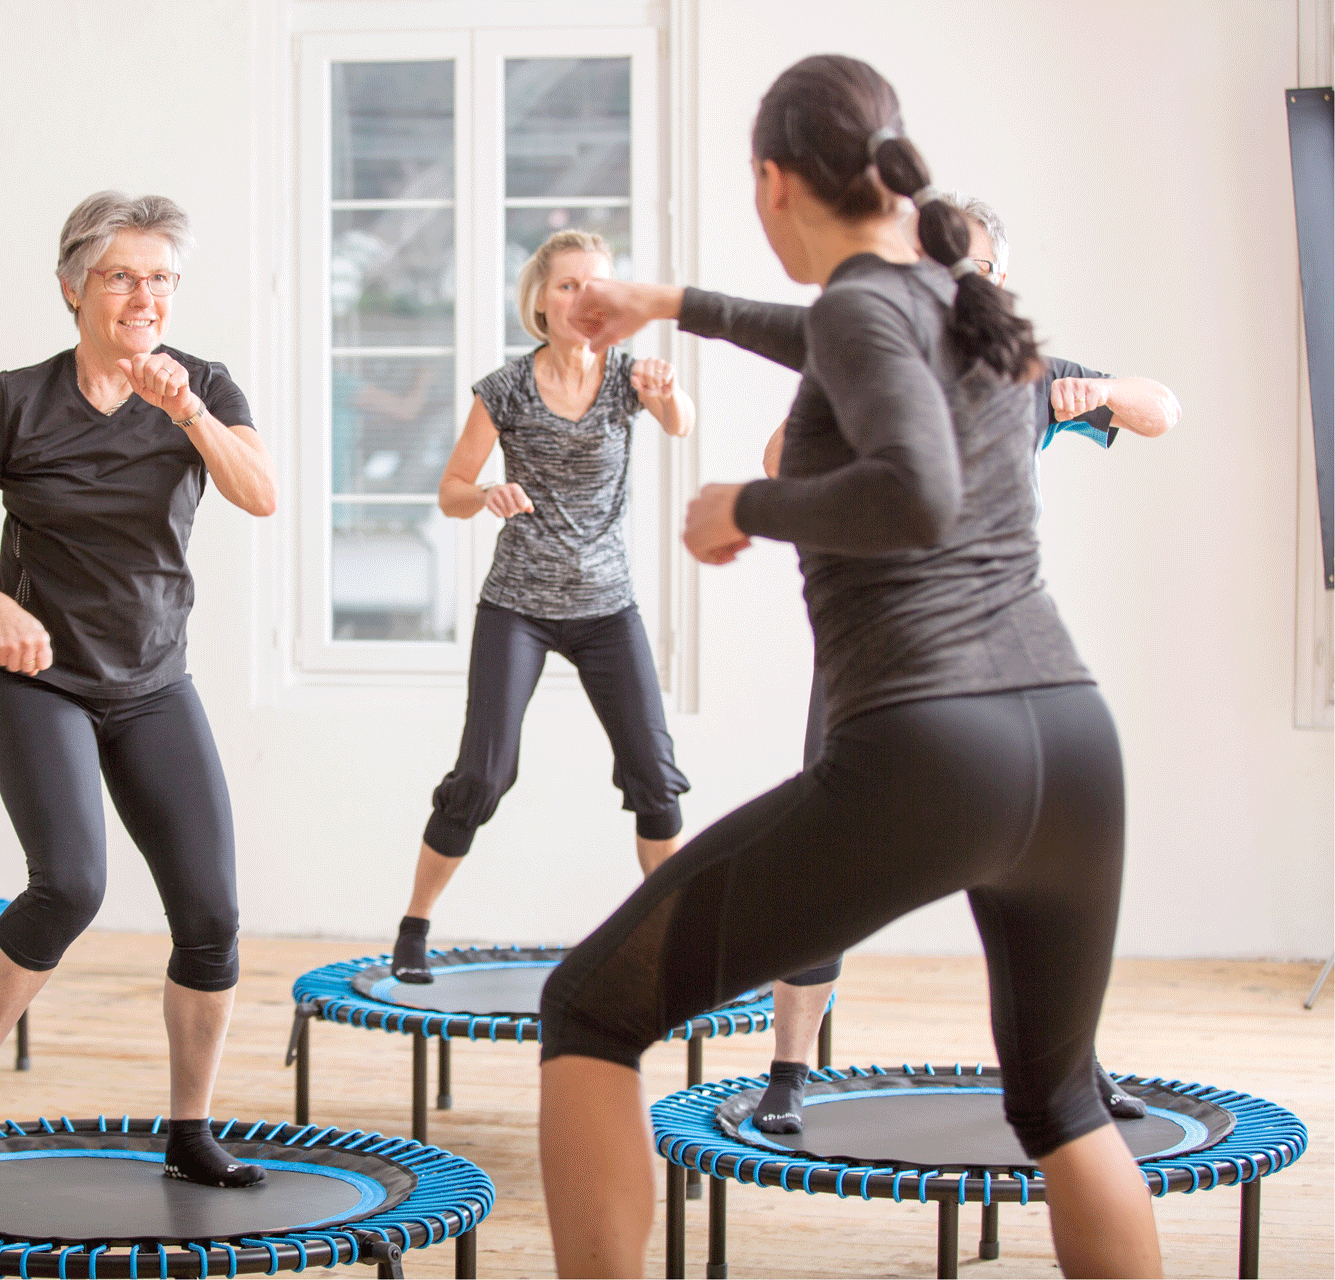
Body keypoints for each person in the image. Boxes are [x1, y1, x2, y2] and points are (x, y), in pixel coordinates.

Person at [535, 56, 1163, 1278]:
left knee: (590, 1010)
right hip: (1074, 745)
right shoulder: (949, 294)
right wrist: (673, 301)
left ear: (774, 183)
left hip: (939, 747)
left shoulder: (867, 310)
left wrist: (746, 502)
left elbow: (913, 484)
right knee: (1061, 1104)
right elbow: (835, 333)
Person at [738, 191, 1181, 1134]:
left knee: (1046, 867)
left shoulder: (1028, 373)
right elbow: (779, 459)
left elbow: (1163, 409)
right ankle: (787, 1071)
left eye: (968, 269)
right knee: (824, 856)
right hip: (874, 654)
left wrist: (1095, 394)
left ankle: (1076, 1069)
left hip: (995, 654)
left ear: (997, 280)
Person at [0, 192, 277, 1189]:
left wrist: (185, 405)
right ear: (72, 287)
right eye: (121, 275)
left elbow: (260, 493)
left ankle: (189, 1128)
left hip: (153, 681)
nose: (143, 295)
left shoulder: (205, 387)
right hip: (40, 677)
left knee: (212, 915)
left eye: (161, 278)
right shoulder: (19, 399)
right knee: (70, 882)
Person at [390, 229, 694, 982]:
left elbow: (682, 422)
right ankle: (414, 924)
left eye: (596, 286)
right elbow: (450, 492)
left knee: (654, 775)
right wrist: (487, 491)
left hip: (605, 607)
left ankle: (668, 938)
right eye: (567, 286)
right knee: (484, 775)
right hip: (518, 606)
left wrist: (666, 391)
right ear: (541, 301)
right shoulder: (507, 389)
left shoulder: (627, 378)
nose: (583, 298)